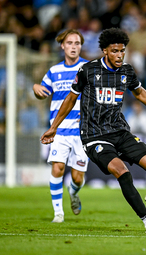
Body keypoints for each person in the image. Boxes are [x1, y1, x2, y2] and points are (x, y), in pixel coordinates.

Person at [40, 27, 146, 233]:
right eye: (115, 51)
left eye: (122, 50)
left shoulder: (127, 71)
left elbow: (139, 92)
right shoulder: (88, 70)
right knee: (122, 171)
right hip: (94, 135)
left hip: (120, 131)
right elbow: (70, 99)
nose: (119, 55)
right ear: (105, 51)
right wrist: (53, 127)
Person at [33, 29, 89, 223]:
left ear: (81, 46)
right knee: (57, 168)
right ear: (62, 46)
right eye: (70, 43)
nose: (73, 47)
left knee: (77, 178)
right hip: (60, 129)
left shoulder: (88, 68)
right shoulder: (54, 71)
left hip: (82, 131)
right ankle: (58, 213)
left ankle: (73, 193)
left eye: (77, 43)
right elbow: (43, 91)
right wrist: (35, 88)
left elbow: (97, 95)